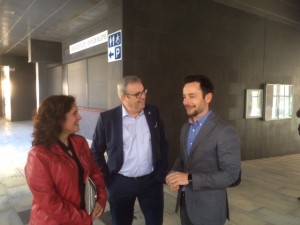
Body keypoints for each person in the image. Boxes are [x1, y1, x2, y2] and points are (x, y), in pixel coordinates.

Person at [91, 75, 168, 225]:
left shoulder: (153, 112)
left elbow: (163, 143)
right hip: (121, 183)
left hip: (151, 182)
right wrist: (108, 180)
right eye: (137, 94)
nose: (143, 96)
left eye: (144, 91)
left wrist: (161, 172)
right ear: (124, 97)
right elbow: (96, 151)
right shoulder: (107, 119)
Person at [166, 75, 241, 225]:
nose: (185, 102)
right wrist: (173, 174)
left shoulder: (225, 131)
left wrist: (189, 178)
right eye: (184, 96)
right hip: (185, 205)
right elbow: (182, 159)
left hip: (209, 211)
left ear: (208, 97)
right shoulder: (185, 128)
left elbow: (231, 175)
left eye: (192, 96)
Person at [25, 95, 107, 225]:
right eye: (74, 113)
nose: (79, 117)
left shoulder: (80, 143)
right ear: (58, 119)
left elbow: (95, 173)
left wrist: (100, 200)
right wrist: (84, 218)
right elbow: (51, 203)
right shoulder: (38, 156)